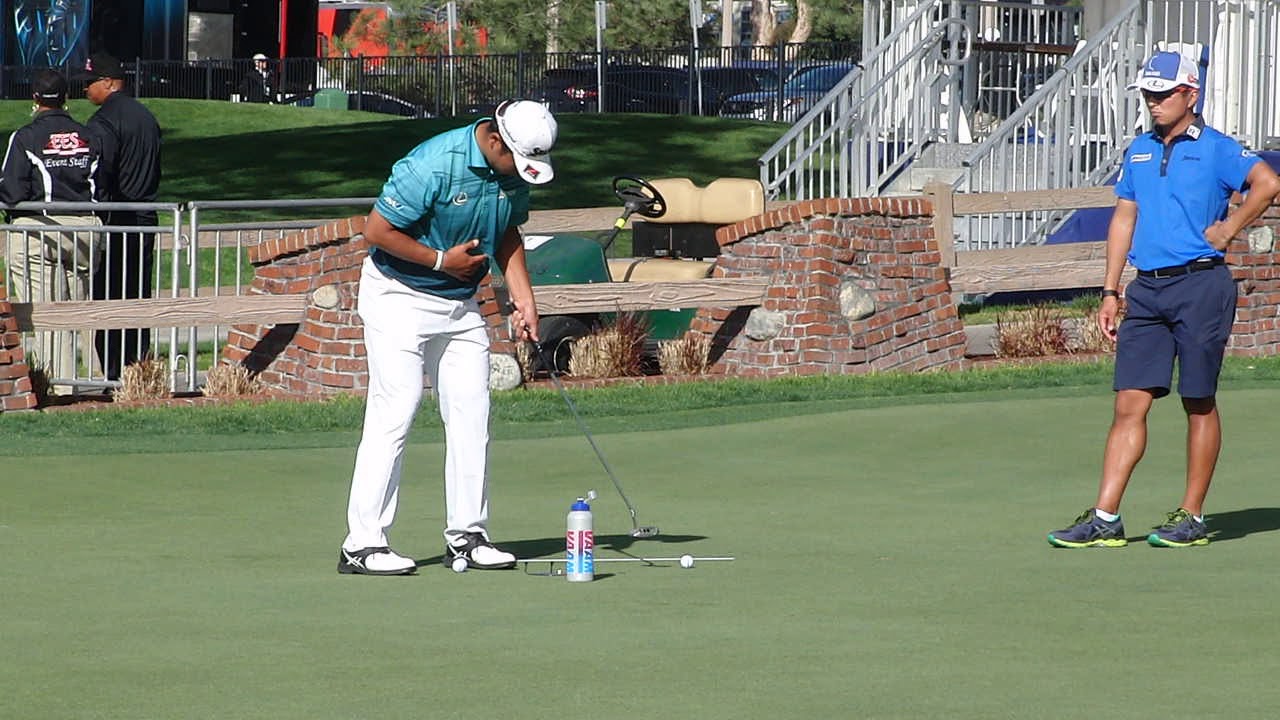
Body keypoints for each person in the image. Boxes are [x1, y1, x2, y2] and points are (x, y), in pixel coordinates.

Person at [1048, 51, 1280, 549]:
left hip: (1201, 286)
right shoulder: (1138, 151)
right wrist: (1110, 289)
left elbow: (1268, 183)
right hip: (1147, 289)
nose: (1152, 102)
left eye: (1162, 93)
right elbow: (1123, 219)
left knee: (1198, 400)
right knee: (1128, 402)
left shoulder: (1216, 148)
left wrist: (1231, 227)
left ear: (1189, 95)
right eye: (1147, 94)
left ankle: (1192, 517)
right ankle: (1106, 517)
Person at [338, 99, 554, 575]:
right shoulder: (433, 163)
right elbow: (377, 231)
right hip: (398, 295)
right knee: (397, 407)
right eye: (517, 161)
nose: (521, 171)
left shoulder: (513, 172)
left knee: (472, 412)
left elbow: (507, 233)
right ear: (495, 140)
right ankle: (362, 544)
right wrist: (440, 261)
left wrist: (524, 297)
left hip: (459, 304)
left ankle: (467, 535)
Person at [0, 68, 102, 385]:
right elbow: (103, 185)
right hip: (87, 230)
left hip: (40, 229)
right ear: (66, 99)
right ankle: (95, 380)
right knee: (81, 310)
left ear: (34, 99)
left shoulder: (26, 137)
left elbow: (12, 191)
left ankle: (61, 384)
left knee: (46, 311)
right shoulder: (89, 136)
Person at [73, 52, 163, 381]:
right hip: (146, 216)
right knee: (139, 295)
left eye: (89, 83)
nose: (85, 90)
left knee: (110, 298)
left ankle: (114, 375)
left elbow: (101, 174)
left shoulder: (103, 123)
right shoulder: (146, 116)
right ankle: (138, 372)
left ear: (109, 83)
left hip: (116, 221)